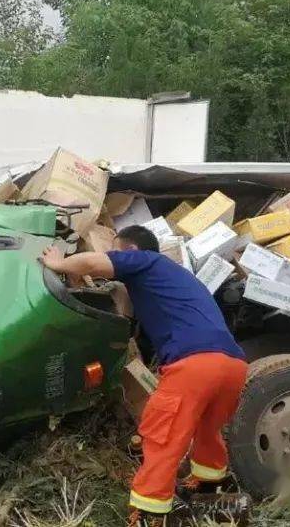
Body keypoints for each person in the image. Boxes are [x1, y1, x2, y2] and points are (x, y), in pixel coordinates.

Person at [40, 225, 248, 527]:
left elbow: (92, 263)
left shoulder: (146, 261)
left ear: (130, 250)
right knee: (207, 430)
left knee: (161, 438)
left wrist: (58, 263)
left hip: (195, 364)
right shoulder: (172, 277)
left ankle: (148, 515)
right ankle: (211, 493)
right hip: (233, 365)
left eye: (115, 248)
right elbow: (126, 309)